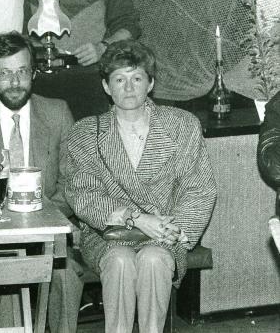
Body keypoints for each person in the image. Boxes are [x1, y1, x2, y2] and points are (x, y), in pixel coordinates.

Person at [64, 40, 216, 333]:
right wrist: (135, 218)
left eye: (137, 78)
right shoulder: (85, 133)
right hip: (108, 233)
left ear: (151, 83)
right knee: (120, 260)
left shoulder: (182, 125)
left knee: (154, 259)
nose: (129, 87)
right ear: (107, 87)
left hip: (166, 233)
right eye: (119, 79)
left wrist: (176, 231)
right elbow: (83, 195)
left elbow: (200, 188)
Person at [0, 31, 81, 333]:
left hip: (49, 224)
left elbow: (73, 179)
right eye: (5, 73)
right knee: (7, 267)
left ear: (34, 73)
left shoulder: (57, 112)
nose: (14, 82)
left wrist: (46, 215)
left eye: (22, 71)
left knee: (65, 271)